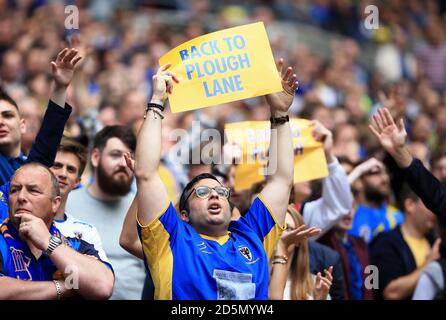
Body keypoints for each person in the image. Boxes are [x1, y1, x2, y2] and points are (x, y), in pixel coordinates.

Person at [135, 60, 297, 300]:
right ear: (184, 214)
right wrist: (157, 100)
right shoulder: (170, 238)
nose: (214, 194)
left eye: (221, 192)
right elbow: (146, 173)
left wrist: (280, 114)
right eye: (201, 193)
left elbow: (281, 181)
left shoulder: (252, 235)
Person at [0, 163, 114, 299]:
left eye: (33, 190)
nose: (21, 197)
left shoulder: (75, 245)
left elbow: (102, 286)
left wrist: (48, 242)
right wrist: (66, 286)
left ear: (55, 204)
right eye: (14, 190)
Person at [0, 46, 82, 221]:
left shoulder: (32, 165)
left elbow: (46, 144)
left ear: (22, 125)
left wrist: (60, 88)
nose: (1, 122)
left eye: (7, 116)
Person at [66, 126, 146, 300]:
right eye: (115, 155)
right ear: (95, 157)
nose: (124, 163)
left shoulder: (142, 206)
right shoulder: (67, 203)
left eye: (130, 157)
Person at [370, 184, 439, 300]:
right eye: (428, 204)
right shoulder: (385, 242)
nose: (434, 210)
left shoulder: (435, 241)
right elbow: (390, 292)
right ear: (410, 205)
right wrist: (429, 262)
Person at [50, 137, 108, 263]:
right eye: (57, 166)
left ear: (77, 182)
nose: (63, 174)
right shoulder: (22, 220)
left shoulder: (87, 231)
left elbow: (103, 278)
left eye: (70, 169)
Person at [269, 205, 333, 300]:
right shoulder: (252, 276)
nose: (279, 232)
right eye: (274, 226)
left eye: (286, 228)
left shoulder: (315, 284)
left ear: (298, 240)